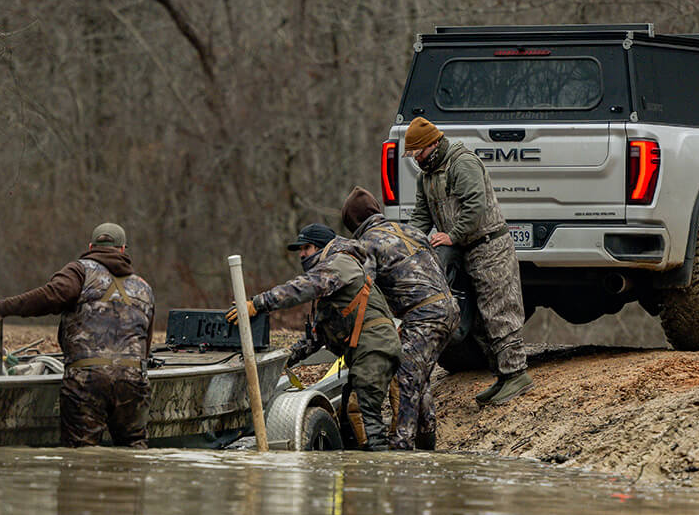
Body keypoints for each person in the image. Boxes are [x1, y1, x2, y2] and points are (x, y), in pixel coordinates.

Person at [228, 222, 401, 451]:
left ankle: (380, 472)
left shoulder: (339, 263)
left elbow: (301, 288)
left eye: (306, 248)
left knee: (365, 418)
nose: (301, 255)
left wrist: (259, 304)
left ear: (320, 247)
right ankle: (361, 475)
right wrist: (285, 360)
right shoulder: (334, 274)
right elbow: (316, 338)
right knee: (350, 425)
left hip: (374, 349)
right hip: (367, 351)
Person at [0, 222, 154, 447]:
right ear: (123, 250)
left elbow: (51, 295)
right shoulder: (144, 288)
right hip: (133, 380)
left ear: (91, 246)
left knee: (80, 457)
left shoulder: (80, 271)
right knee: (134, 452)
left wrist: (2, 308)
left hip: (87, 380)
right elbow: (145, 348)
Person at [402, 116, 533, 405]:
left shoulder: (462, 163)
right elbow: (422, 215)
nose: (416, 159)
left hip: (489, 247)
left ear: (432, 144)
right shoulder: (427, 176)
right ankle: (502, 376)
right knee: (478, 318)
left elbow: (476, 205)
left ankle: (517, 374)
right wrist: (407, 243)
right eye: (412, 155)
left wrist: (451, 235)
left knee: (500, 309)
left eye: (418, 153)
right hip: (466, 250)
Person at [340, 185, 460, 450]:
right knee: (419, 374)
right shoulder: (411, 230)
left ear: (352, 222)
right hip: (449, 308)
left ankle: (402, 450)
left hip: (423, 316)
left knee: (405, 377)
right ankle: (427, 439)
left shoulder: (367, 243)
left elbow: (363, 291)